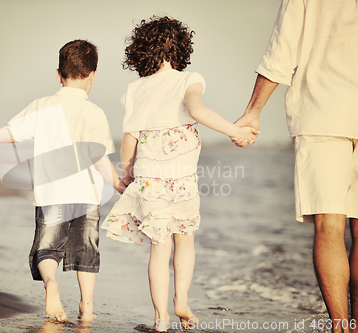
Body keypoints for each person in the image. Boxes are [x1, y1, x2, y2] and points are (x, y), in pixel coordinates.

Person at [101, 16, 257, 331]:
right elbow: (199, 111)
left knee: (160, 248)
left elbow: (130, 139)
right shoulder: (189, 79)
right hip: (183, 181)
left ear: (141, 52)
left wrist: (126, 175)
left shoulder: (135, 90)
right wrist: (233, 132)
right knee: (184, 241)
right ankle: (181, 300)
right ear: (180, 49)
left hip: (148, 180)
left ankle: (160, 318)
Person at [0, 39, 126, 322]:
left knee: (47, 248)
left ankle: (51, 285)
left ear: (59, 74)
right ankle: (87, 307)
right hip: (86, 196)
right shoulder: (95, 113)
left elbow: (9, 135)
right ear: (93, 75)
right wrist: (118, 183)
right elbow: (98, 158)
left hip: (51, 194)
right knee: (87, 252)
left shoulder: (43, 105)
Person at [234, 1, 358, 332]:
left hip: (323, 111)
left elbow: (281, 52)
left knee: (329, 227)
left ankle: (340, 328)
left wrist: (252, 112)